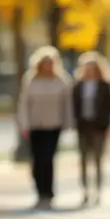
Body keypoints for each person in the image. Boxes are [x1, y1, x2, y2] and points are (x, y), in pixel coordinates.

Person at [16, 46, 73, 210]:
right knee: (37, 161)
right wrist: (24, 124)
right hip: (35, 125)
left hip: (53, 125)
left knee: (48, 159)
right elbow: (24, 104)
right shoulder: (31, 80)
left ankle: (48, 194)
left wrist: (69, 123)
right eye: (45, 63)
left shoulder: (62, 80)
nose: (48, 66)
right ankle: (39, 192)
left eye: (50, 63)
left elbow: (67, 104)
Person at [72, 51, 110, 206]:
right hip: (83, 127)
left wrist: (108, 126)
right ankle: (85, 190)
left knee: (97, 159)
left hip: (99, 127)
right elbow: (74, 107)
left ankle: (98, 190)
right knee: (83, 159)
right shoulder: (78, 86)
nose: (90, 70)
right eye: (87, 67)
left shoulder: (104, 86)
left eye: (93, 67)